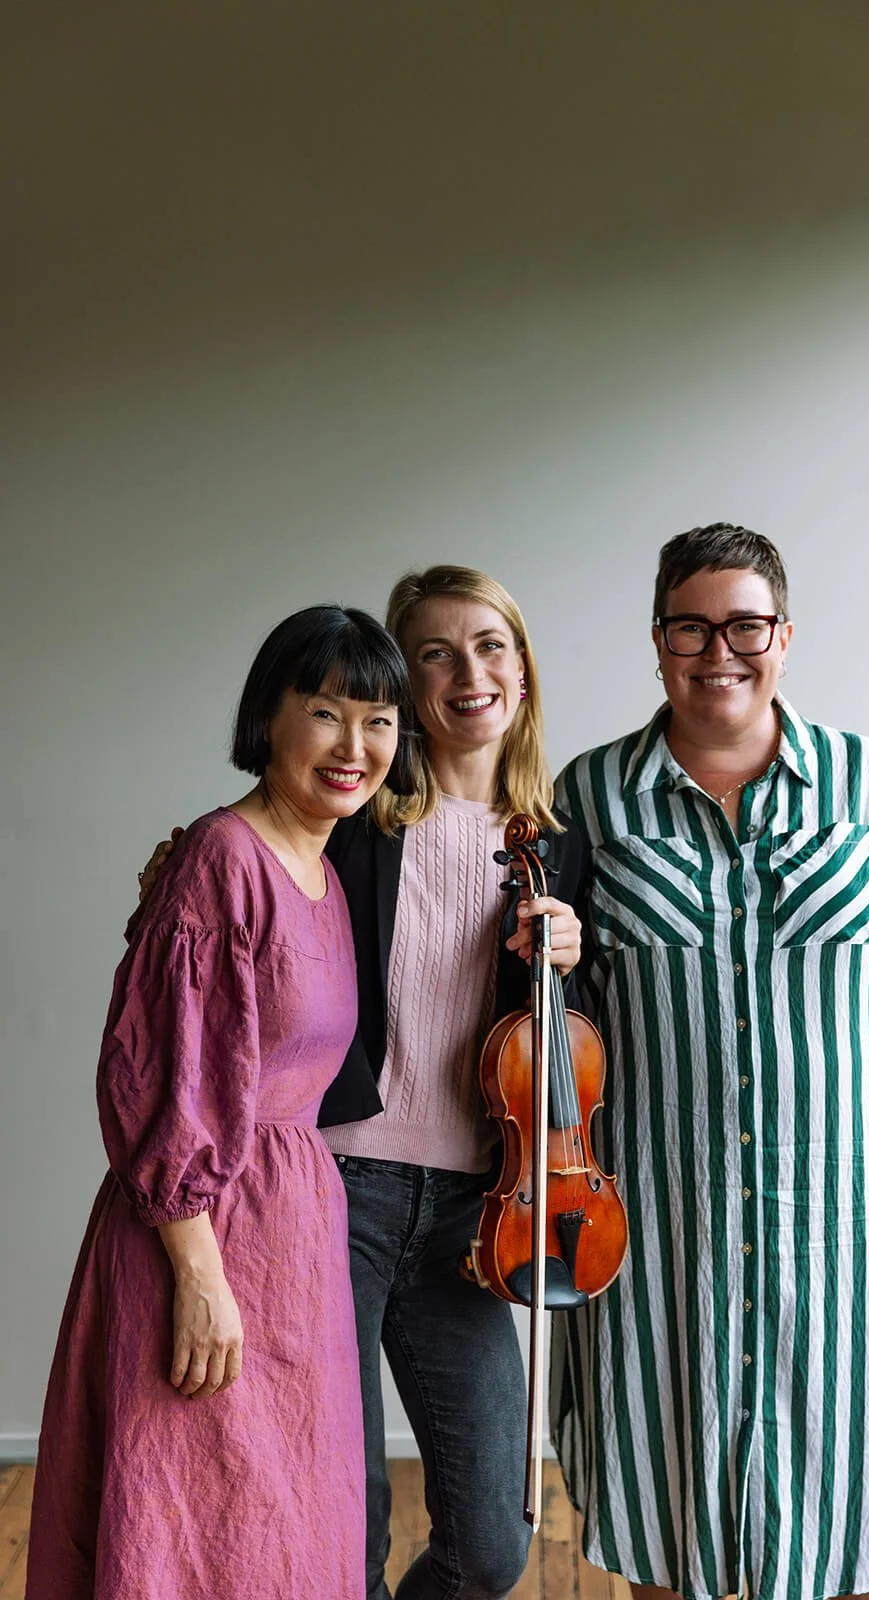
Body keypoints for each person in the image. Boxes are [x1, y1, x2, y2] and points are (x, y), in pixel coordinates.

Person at [550, 524, 869, 1600]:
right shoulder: (587, 798)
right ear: (655, 641)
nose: (719, 650)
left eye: (744, 624)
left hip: (858, 1233)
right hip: (667, 1244)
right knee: (669, 1495)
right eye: (690, 626)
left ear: (783, 636)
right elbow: (554, 1020)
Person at [138, 566, 588, 1600]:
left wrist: (571, 952)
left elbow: (562, 1052)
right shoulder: (354, 810)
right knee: (337, 1524)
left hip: (475, 1212)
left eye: (490, 645)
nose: (466, 671)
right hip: (329, 1194)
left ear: (521, 668)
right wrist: (174, 862)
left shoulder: (557, 847)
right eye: (433, 651)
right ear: (403, 681)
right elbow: (248, 871)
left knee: (490, 1543)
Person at [27, 604, 412, 1600]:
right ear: (269, 719)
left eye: (377, 721)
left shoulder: (323, 872)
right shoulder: (219, 859)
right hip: (200, 1238)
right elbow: (158, 1074)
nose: (353, 745)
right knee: (195, 1527)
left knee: (283, 1525)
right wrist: (197, 1274)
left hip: (293, 1241)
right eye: (326, 712)